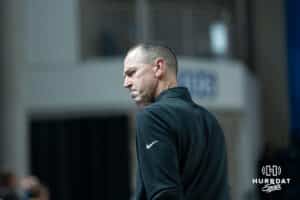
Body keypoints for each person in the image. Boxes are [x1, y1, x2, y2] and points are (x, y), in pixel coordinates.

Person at [123, 44, 230, 200]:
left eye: (131, 73)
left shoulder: (152, 117)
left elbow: (164, 195)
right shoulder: (210, 120)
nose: (126, 83)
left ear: (158, 67)